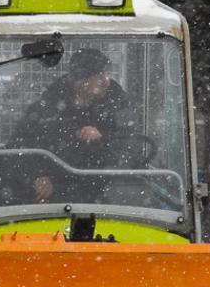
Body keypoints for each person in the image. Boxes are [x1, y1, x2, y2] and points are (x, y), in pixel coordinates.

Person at [9, 48, 130, 202]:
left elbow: (130, 144)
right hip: (56, 195)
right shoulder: (47, 109)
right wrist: (37, 176)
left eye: (107, 74)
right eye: (100, 76)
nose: (106, 81)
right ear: (82, 80)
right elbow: (21, 147)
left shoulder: (117, 103)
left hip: (110, 193)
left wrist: (102, 138)